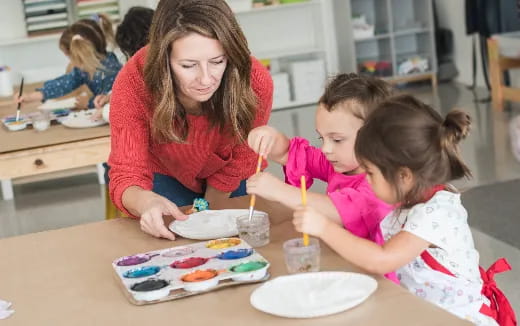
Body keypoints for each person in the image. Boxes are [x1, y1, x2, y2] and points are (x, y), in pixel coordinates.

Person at [293, 95, 515, 326]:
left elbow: (384, 259)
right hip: (426, 314)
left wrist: (324, 228)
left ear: (404, 175)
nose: (366, 182)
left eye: (370, 173)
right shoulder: (407, 200)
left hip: (460, 319)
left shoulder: (436, 212)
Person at [108, 0, 273, 240]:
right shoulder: (134, 81)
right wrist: (144, 201)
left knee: (239, 244)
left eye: (218, 62)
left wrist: (208, 212)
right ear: (164, 60)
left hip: (230, 172)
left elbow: (244, 157)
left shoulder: (254, 79)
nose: (206, 79)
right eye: (188, 65)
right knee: (171, 248)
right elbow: (127, 171)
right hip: (166, 174)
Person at [247, 73, 397, 283]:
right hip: (345, 265)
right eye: (321, 138)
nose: (326, 149)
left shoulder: (385, 183)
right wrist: (270, 137)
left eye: (336, 139)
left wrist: (279, 191)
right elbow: (291, 154)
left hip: (379, 279)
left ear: (377, 137)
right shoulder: (341, 163)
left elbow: (339, 211)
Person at [14, 17, 121, 109]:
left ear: (80, 53)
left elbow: (115, 101)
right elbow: (64, 84)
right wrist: (30, 97)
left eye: (70, 57)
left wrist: (88, 103)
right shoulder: (87, 68)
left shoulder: (108, 70)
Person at [93, 6, 155, 110]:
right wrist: (112, 97)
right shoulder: (140, 69)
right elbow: (133, 90)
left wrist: (108, 110)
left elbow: (141, 106)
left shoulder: (156, 70)